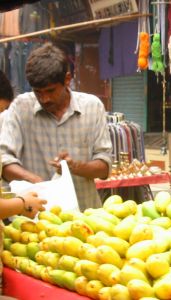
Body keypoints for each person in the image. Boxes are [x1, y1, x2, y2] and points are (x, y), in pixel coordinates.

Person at [0, 43, 113, 211]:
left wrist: (75, 167)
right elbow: (4, 160)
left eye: (50, 91)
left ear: (67, 79)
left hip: (85, 216)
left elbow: (104, 167)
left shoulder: (92, 106)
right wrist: (36, 182)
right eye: (38, 92)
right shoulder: (20, 107)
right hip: (35, 219)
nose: (44, 99)